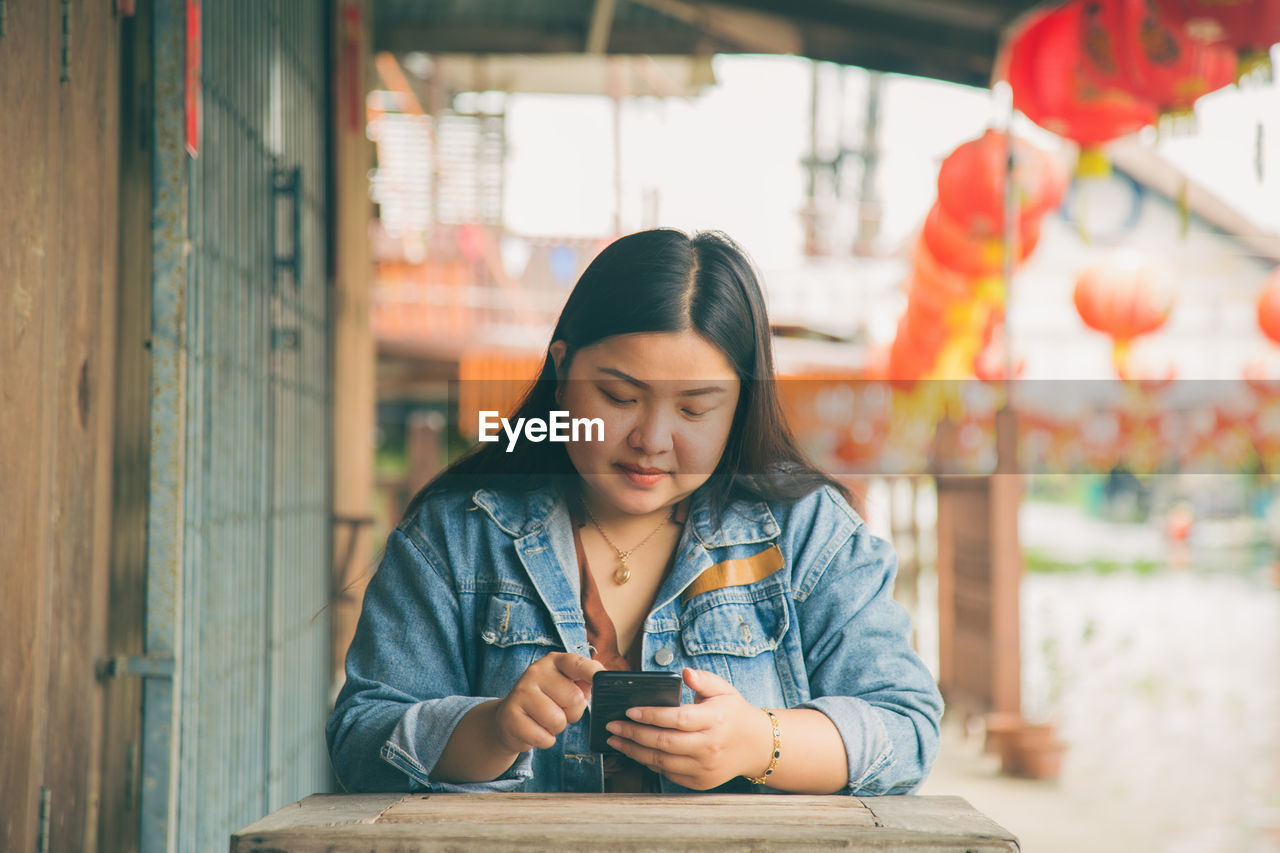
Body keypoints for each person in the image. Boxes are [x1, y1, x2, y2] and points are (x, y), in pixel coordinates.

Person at [326, 228, 942, 795]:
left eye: (695, 409)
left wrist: (760, 742)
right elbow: (359, 740)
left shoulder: (809, 534)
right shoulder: (458, 536)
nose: (651, 438)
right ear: (563, 370)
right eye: (620, 397)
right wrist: (492, 731)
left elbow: (906, 727)